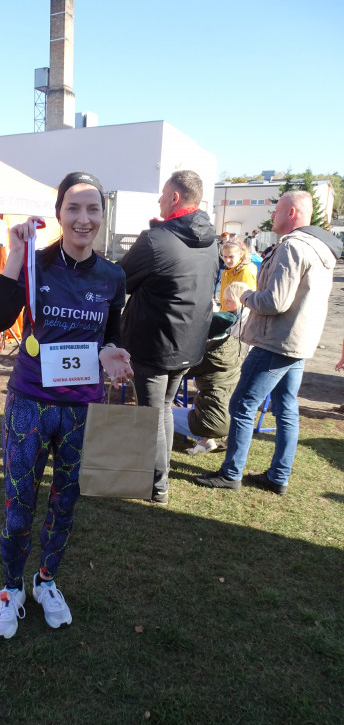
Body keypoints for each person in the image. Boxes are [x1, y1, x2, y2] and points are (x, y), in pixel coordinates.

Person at [0, 172, 133, 639]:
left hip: (81, 410)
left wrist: (114, 353)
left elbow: (111, 335)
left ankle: (45, 581)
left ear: (103, 216)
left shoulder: (113, 276)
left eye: (93, 209)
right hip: (30, 404)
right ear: (59, 214)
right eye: (73, 208)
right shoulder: (35, 263)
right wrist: (14, 254)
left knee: (65, 503)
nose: (83, 219)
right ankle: (11, 589)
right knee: (19, 506)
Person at [195, 191, 343, 494]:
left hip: (275, 341)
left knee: (242, 404)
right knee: (286, 408)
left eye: (277, 210)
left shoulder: (293, 247)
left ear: (291, 213)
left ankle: (231, 473)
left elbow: (275, 301)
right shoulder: (319, 248)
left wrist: (245, 295)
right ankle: (278, 476)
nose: (272, 215)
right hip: (298, 342)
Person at [119, 170, 219, 504]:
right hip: (188, 345)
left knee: (152, 414)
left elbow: (119, 279)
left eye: (163, 195)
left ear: (175, 198)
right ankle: (157, 479)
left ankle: (157, 485)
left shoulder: (156, 240)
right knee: (162, 409)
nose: (159, 200)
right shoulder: (211, 240)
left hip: (154, 344)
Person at [172, 311, 241, 455]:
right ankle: (207, 441)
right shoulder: (236, 346)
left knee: (162, 414)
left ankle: (206, 436)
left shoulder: (207, 355)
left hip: (211, 420)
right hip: (236, 417)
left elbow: (180, 369)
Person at [219, 238, 258, 311]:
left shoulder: (246, 272)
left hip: (237, 316)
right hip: (225, 314)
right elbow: (223, 300)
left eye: (231, 257)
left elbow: (248, 303)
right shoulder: (226, 272)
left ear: (241, 254)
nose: (227, 260)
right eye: (225, 256)